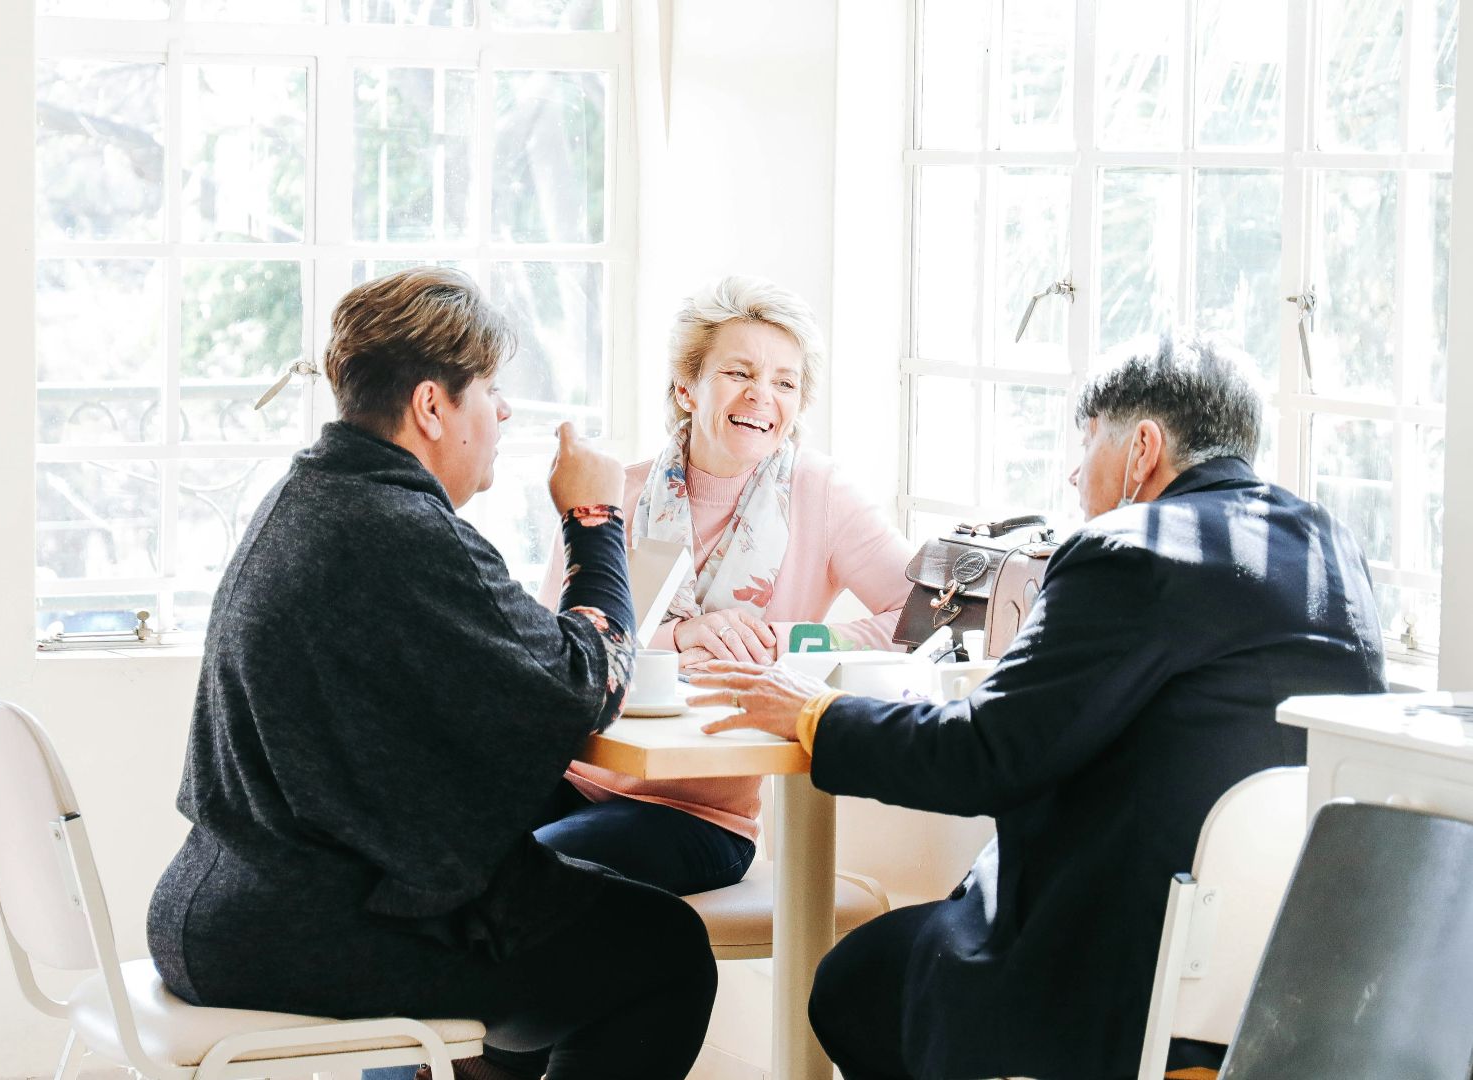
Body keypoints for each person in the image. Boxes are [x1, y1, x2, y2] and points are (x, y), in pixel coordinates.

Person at [694, 333, 1388, 1080]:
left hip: (1111, 968)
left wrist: (815, 713)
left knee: (853, 984)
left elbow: (980, 756)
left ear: (1141, 449)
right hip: (1277, 983)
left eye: (1087, 444)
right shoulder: (1329, 549)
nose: (1071, 473)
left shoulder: (1128, 548)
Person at [147, 268, 717, 1080]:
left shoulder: (310, 496)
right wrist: (595, 518)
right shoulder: (400, 528)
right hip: (302, 928)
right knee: (661, 951)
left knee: (577, 914)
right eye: (489, 388)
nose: (505, 411)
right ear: (431, 406)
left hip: (224, 905)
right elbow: (587, 686)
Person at [532, 275, 913, 897]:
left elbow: (920, 619)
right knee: (446, 852)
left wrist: (774, 642)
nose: (762, 396)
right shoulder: (615, 493)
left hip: (697, 818)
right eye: (739, 373)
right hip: (568, 774)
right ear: (687, 388)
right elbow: (554, 645)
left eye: (785, 383)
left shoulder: (821, 494)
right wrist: (684, 634)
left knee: (530, 878)